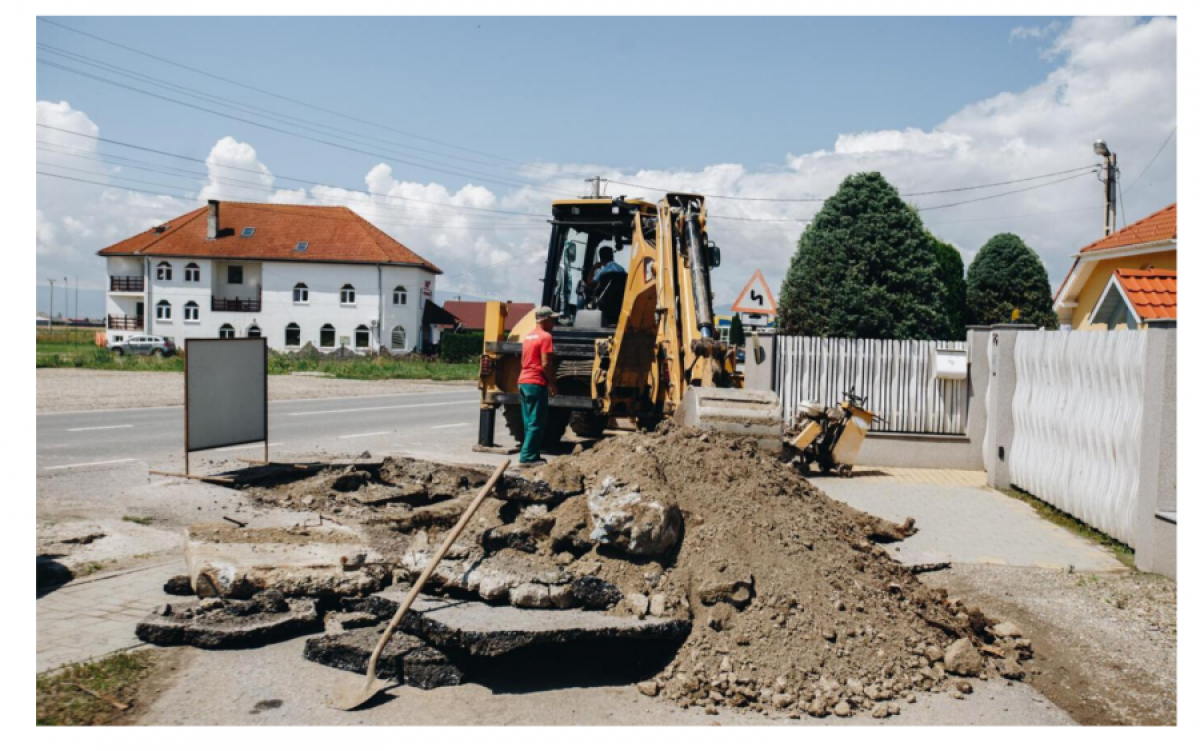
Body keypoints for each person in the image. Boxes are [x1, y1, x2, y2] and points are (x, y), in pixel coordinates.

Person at [518, 306, 558, 466]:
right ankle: (527, 457)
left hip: (523, 381)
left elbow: (523, 360)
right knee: (536, 423)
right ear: (545, 320)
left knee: (528, 422)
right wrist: (552, 384)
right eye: (552, 319)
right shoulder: (546, 337)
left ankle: (532, 455)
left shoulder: (528, 336)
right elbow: (546, 364)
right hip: (536, 383)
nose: (554, 323)